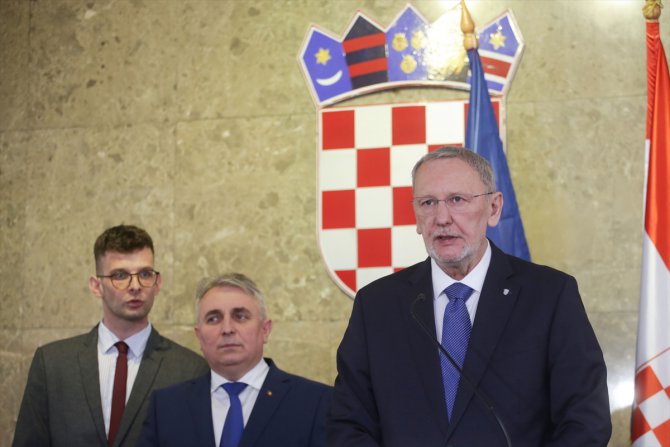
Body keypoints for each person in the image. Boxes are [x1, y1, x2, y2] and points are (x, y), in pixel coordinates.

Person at [327, 147, 612, 446]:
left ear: (494, 208)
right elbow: (348, 422)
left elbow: (585, 420)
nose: (442, 218)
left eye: (457, 200)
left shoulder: (549, 295)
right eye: (428, 203)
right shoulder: (377, 305)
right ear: (416, 217)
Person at [12, 224, 209, 447]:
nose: (135, 286)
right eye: (120, 275)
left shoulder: (190, 371)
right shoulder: (52, 365)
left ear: (157, 283)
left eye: (145, 274)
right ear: (97, 286)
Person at [138, 272, 332, 447]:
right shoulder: (166, 407)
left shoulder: (316, 403)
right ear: (199, 336)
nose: (227, 329)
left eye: (240, 317)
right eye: (213, 319)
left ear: (265, 330)